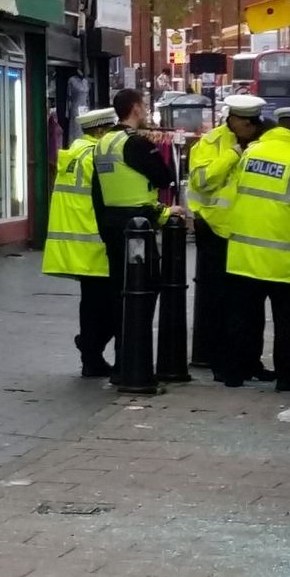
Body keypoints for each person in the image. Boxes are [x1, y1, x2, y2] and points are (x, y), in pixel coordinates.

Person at [224, 106, 290, 392]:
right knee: (287, 322)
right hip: (283, 257)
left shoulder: (252, 152)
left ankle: (235, 372)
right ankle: (288, 376)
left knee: (242, 317)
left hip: (243, 252)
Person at [92, 89, 183, 378]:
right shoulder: (136, 143)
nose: (144, 111)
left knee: (123, 292)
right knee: (143, 292)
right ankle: (134, 364)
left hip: (111, 225)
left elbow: (97, 193)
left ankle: (123, 360)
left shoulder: (103, 143)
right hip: (138, 228)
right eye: (142, 106)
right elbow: (165, 175)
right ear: (134, 108)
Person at [188, 95, 272, 382]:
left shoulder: (265, 143)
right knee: (220, 302)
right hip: (217, 231)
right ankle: (221, 363)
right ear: (234, 120)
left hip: (251, 232)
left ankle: (250, 361)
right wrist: (232, 155)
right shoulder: (211, 143)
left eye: (253, 125)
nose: (248, 129)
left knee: (250, 302)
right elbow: (201, 181)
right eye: (243, 123)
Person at [42, 108, 118, 377]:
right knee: (114, 305)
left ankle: (91, 359)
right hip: (95, 241)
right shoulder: (97, 157)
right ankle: (90, 347)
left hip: (74, 243)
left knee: (90, 305)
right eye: (111, 130)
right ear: (100, 131)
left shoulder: (73, 153)